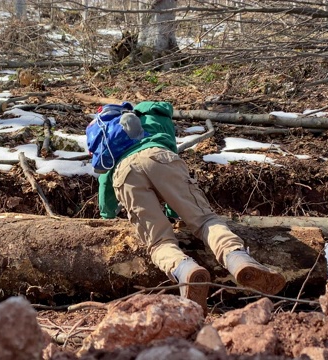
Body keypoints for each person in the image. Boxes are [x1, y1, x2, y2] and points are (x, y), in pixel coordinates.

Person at [97, 101, 286, 313]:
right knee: (205, 221)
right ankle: (237, 259)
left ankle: (186, 271)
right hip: (159, 156)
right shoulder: (154, 121)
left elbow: (105, 180)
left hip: (125, 172)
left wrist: (107, 214)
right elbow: (167, 161)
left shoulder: (110, 135)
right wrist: (174, 211)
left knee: (158, 242)